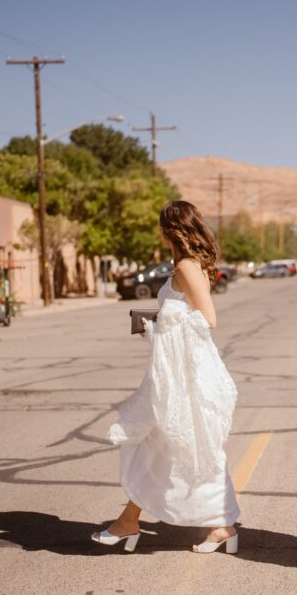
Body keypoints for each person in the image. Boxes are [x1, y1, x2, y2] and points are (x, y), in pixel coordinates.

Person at [93, 200, 240, 555]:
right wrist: (156, 328)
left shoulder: (188, 266)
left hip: (187, 374)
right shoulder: (186, 265)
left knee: (172, 444)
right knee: (166, 446)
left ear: (168, 231)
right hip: (174, 369)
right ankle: (218, 526)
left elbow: (207, 319)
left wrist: (164, 325)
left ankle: (132, 522)